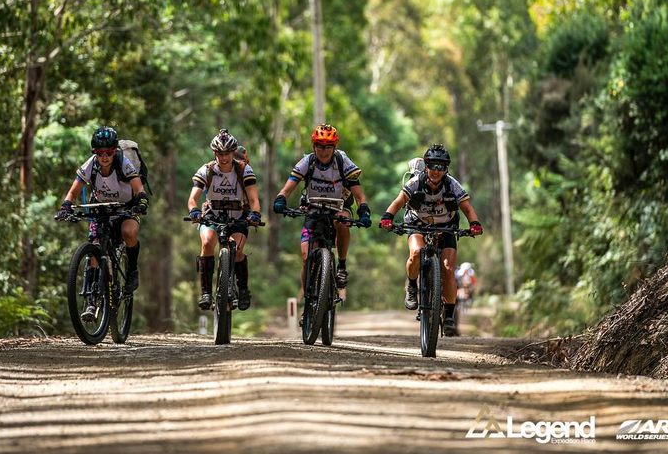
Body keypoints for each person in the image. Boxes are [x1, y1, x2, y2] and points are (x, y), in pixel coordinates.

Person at [378, 144, 482, 336]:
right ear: (426, 166)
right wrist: (387, 217)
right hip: (417, 224)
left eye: (441, 166)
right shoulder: (415, 182)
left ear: (446, 168)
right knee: (416, 253)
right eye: (432, 166)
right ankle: (411, 285)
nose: (436, 171)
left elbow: (467, 207)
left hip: (446, 227)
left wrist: (474, 223)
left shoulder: (452, 184)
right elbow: (399, 201)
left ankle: (449, 317)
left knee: (449, 269)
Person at [55, 126, 149, 321]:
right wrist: (65, 206)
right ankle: (91, 300)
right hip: (100, 208)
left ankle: (131, 269)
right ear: (94, 153)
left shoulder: (123, 164)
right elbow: (73, 191)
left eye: (109, 152)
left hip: (126, 208)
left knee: (129, 232)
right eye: (99, 152)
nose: (104, 156)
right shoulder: (91, 165)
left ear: (115, 151)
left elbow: (138, 187)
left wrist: (141, 201)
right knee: (95, 247)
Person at [272, 123, 372, 295]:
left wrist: (364, 210)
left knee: (342, 223)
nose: (323, 151)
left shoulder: (342, 162)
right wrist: (281, 199)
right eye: (319, 146)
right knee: (305, 258)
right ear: (313, 146)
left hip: (339, 207)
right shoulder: (308, 161)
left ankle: (341, 265)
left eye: (328, 147)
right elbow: (287, 188)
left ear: (335, 147)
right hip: (313, 208)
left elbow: (360, 195)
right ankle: (308, 300)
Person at [187, 129, 262, 311]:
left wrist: (255, 214)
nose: (224, 158)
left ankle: (243, 289)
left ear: (232, 153)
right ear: (215, 153)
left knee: (236, 250)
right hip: (213, 214)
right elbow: (192, 199)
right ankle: (206, 292)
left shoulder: (244, 170)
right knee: (206, 243)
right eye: (220, 154)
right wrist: (194, 211)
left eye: (227, 153)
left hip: (238, 217)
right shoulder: (207, 170)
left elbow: (254, 200)